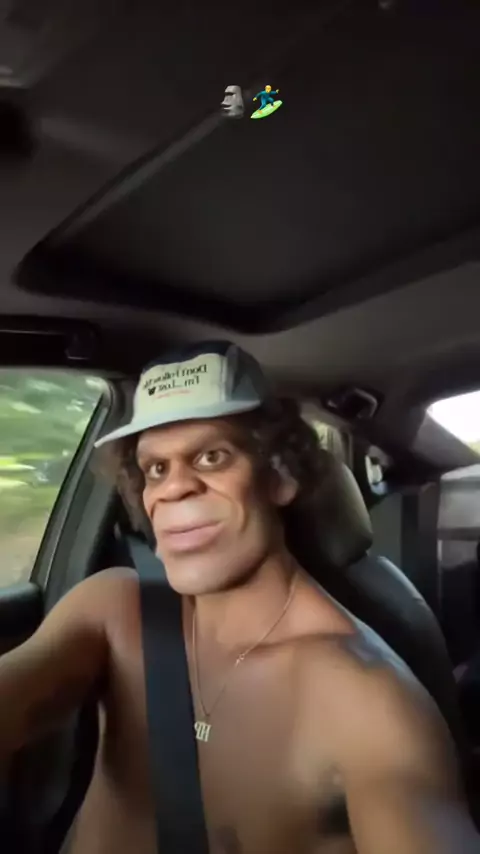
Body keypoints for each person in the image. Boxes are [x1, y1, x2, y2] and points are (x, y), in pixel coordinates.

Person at [0, 339, 478, 854]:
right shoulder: (113, 612)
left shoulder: (364, 697)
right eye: (155, 468)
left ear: (281, 476)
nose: (173, 488)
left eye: (211, 457)